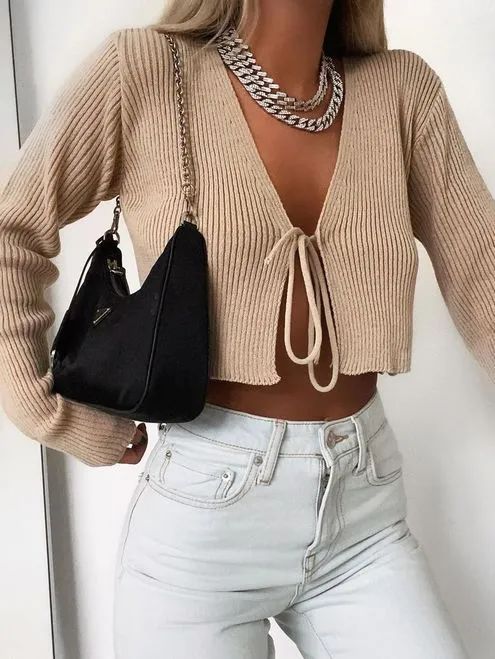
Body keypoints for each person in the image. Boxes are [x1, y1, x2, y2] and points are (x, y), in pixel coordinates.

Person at [0, 0, 492, 657]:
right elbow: (11, 232)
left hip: (364, 514)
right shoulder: (143, 72)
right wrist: (44, 410)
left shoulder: (401, 90)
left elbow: (483, 277)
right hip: (203, 526)